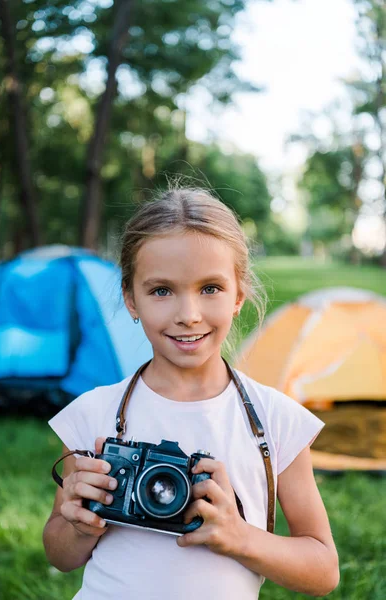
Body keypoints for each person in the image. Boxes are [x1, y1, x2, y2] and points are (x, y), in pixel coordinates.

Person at [43, 187, 339, 600]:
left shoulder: (276, 420)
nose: (188, 315)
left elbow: (324, 572)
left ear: (239, 294)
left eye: (210, 288)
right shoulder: (93, 414)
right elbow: (60, 555)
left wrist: (238, 535)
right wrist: (77, 524)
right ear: (131, 299)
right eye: (161, 290)